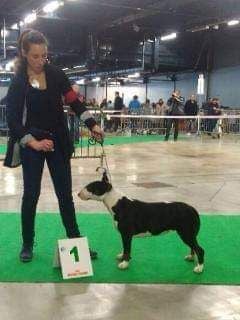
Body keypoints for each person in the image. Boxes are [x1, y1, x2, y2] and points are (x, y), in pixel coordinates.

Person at [4, 30, 103, 262]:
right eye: (35, 56)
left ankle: (76, 241)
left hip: (58, 141)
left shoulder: (57, 74)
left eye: (44, 55)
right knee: (31, 195)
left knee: (64, 196)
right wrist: (34, 143)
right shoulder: (18, 82)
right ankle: (27, 244)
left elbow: (74, 102)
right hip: (32, 144)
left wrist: (92, 124)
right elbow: (13, 121)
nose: (40, 61)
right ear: (24, 54)